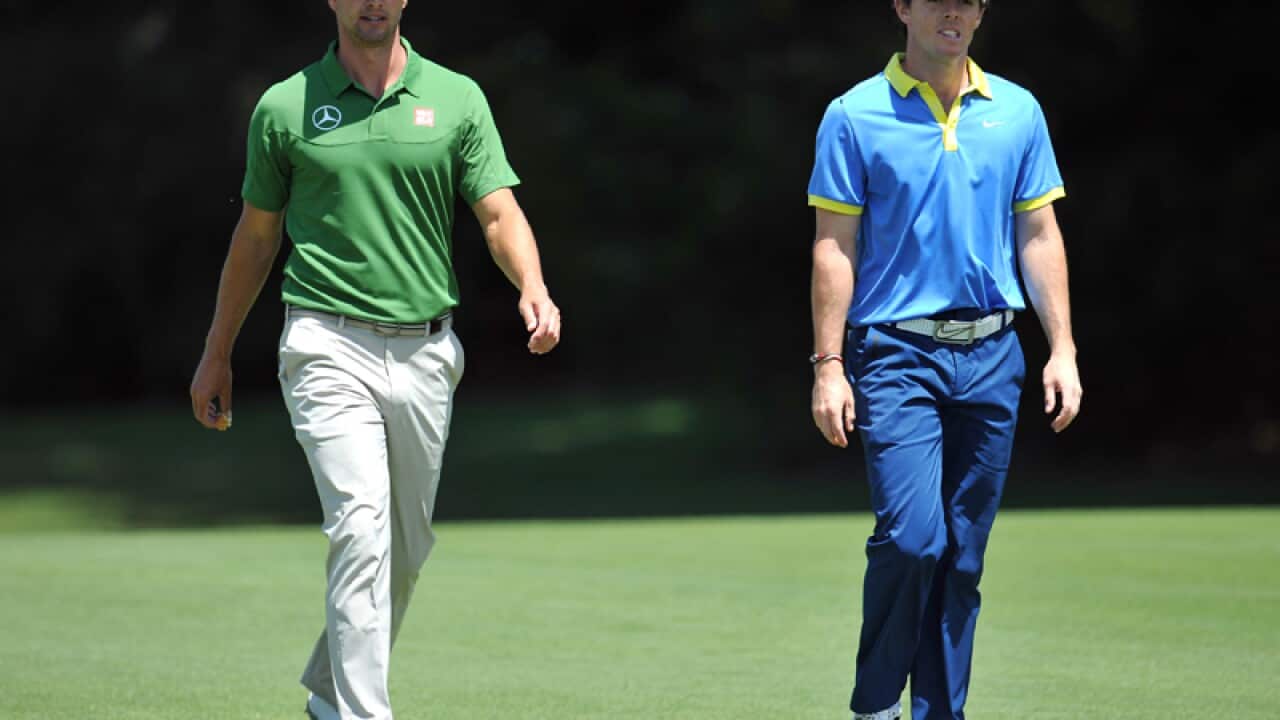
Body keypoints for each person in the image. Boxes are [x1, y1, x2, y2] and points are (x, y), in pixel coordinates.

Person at [188, 1, 561, 717]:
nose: (372, 2)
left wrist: (534, 287)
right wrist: (218, 349)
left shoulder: (455, 96)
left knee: (405, 548)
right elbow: (257, 238)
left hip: (426, 351)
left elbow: (498, 212)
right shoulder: (285, 106)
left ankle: (330, 693)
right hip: (325, 344)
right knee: (360, 525)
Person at [806, 1, 1081, 718]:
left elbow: (1039, 234)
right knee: (914, 537)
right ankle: (875, 704)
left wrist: (1063, 350)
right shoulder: (854, 114)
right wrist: (828, 366)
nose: (953, 12)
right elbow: (835, 247)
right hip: (896, 354)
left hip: (995, 354)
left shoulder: (1018, 112)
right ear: (902, 6)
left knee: (962, 556)